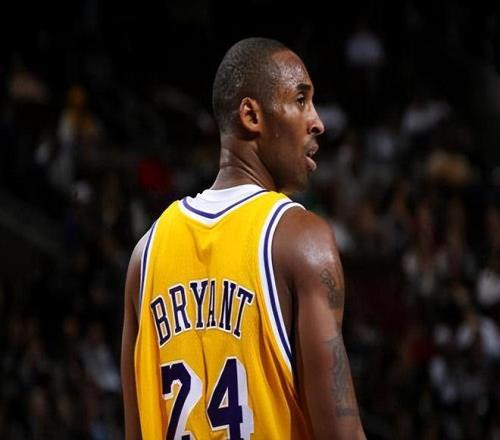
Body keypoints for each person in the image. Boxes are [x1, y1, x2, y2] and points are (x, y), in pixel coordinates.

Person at [121, 37, 366, 439]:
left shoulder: (144, 256)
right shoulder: (300, 240)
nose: (317, 121)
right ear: (252, 115)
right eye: (301, 100)